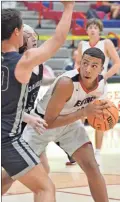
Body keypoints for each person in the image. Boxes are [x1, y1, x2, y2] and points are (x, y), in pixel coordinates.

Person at [1, 2, 74, 202]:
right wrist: (68, 7)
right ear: (17, 32)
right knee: (45, 188)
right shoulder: (22, 61)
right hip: (7, 139)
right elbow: (58, 39)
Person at [21, 47, 111, 202]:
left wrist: (104, 117)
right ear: (79, 63)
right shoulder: (66, 82)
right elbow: (49, 122)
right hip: (41, 125)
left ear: (101, 69)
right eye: (85, 63)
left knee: (92, 166)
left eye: (94, 66)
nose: (87, 69)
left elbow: (98, 112)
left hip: (70, 124)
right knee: (13, 173)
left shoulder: (101, 85)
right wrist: (83, 113)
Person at [77, 18, 120, 165]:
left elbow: (117, 62)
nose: (93, 29)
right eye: (90, 27)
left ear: (99, 30)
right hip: (83, 85)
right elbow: (77, 64)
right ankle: (78, 152)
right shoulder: (82, 44)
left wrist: (105, 76)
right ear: (86, 30)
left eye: (96, 27)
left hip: (100, 86)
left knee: (100, 117)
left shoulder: (106, 43)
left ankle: (98, 152)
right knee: (79, 118)